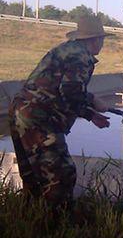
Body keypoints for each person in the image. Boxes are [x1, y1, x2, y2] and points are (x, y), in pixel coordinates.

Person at [8, 16, 112, 210]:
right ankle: (56, 224)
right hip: (39, 119)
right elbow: (71, 91)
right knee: (61, 173)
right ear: (95, 39)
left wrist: (90, 115)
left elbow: (60, 92)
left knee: (34, 175)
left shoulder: (67, 50)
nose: (102, 44)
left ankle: (31, 221)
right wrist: (93, 101)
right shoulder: (81, 57)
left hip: (21, 112)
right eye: (102, 39)